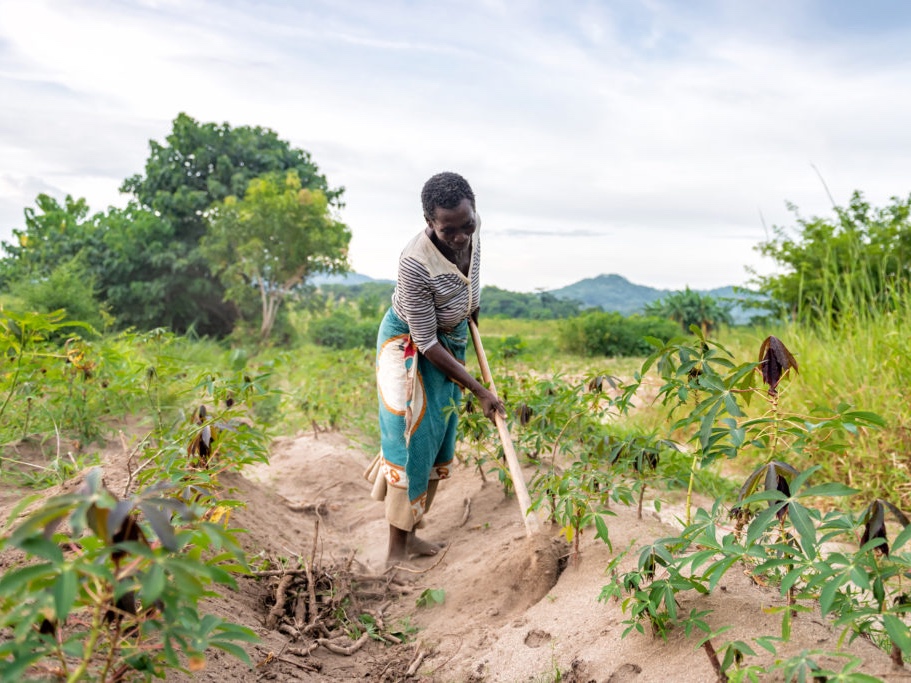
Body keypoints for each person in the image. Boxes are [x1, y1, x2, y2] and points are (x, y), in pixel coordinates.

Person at [368, 171, 504, 565]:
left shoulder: (470, 232)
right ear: (430, 222)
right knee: (411, 437)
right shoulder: (414, 263)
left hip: (452, 337)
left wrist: (471, 314)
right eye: (449, 231)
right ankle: (395, 550)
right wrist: (480, 390)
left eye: (467, 225)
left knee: (439, 436)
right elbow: (424, 341)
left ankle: (412, 538)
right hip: (410, 344)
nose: (461, 237)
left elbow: (469, 283)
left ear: (474, 213)